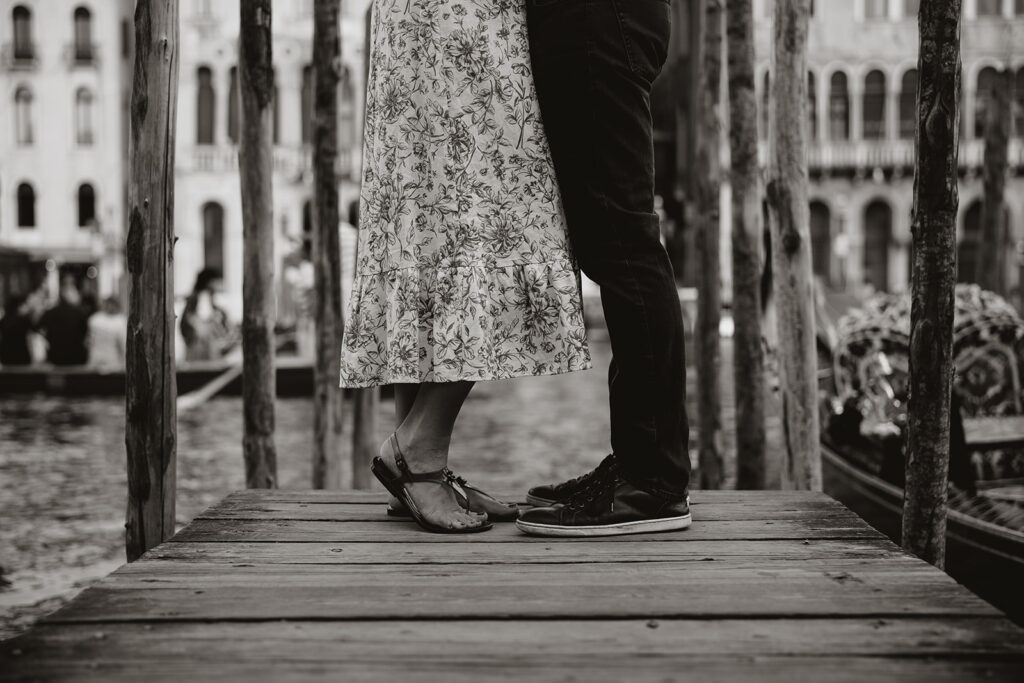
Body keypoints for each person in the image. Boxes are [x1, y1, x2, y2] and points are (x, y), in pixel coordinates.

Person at [341, 0, 592, 533]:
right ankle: (417, 451)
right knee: (497, 217)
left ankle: (417, 471)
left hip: (427, 24)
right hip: (465, 21)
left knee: (434, 217)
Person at [515, 0, 693, 536]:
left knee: (623, 242)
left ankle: (654, 482)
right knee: (612, 244)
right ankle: (639, 464)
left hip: (596, 18)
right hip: (596, 19)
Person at [180, 268, 233, 361]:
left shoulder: (209, 303)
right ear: (209, 282)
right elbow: (203, 322)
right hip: (202, 352)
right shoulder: (201, 298)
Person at [38, 277, 90, 366]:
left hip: (55, 356)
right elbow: (84, 332)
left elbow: (38, 327)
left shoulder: (50, 312)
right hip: (76, 356)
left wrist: (48, 337)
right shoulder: (79, 313)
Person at [88, 297, 127, 368]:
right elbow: (124, 344)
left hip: (97, 360)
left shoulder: (94, 319)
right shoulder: (121, 322)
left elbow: (89, 341)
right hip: (113, 362)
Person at [0, 294, 33, 366]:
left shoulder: (4, 320)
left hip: (6, 356)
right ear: (19, 306)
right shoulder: (24, 320)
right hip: (21, 356)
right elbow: (35, 329)